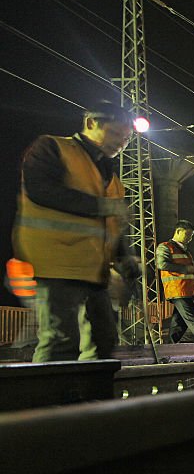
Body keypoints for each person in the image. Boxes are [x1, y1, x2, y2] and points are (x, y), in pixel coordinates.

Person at [13, 101, 140, 362]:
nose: (122, 143)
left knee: (103, 339)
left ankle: (90, 397)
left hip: (94, 270)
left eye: (126, 139)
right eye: (116, 134)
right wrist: (101, 206)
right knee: (61, 340)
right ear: (92, 123)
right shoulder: (52, 148)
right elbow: (41, 190)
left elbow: (110, 225)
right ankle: (48, 400)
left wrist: (124, 257)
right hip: (55, 264)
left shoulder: (110, 176)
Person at [156, 219, 194, 343]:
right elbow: (162, 265)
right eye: (187, 235)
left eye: (191, 236)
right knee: (193, 320)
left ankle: (170, 347)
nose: (189, 238)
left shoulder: (186, 252)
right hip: (178, 290)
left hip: (188, 291)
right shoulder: (165, 247)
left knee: (180, 323)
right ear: (178, 231)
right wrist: (186, 269)